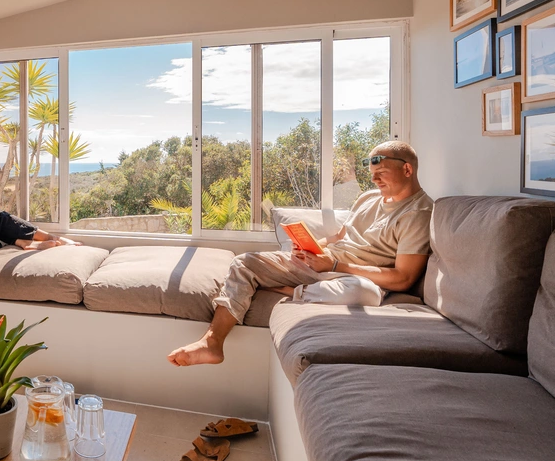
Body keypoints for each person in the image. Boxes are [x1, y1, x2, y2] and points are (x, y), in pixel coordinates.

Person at [167, 141, 433, 367]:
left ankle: (287, 290)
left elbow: (403, 279)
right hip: (322, 262)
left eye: (381, 173)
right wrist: (311, 244)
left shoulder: (418, 213)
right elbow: (340, 237)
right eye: (372, 172)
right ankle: (212, 343)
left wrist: (336, 264)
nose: (374, 179)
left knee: (363, 293)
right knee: (244, 262)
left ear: (407, 169)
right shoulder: (368, 198)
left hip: (353, 276)